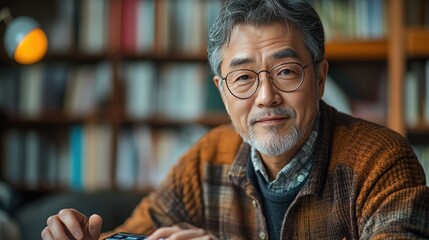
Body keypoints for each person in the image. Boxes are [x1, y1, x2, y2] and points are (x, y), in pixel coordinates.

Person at [42, 0, 429, 239]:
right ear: (223, 91)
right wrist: (83, 237)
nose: (266, 97)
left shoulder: (382, 161)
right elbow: (135, 232)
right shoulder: (209, 157)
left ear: (320, 77)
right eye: (243, 78)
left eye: (286, 71)